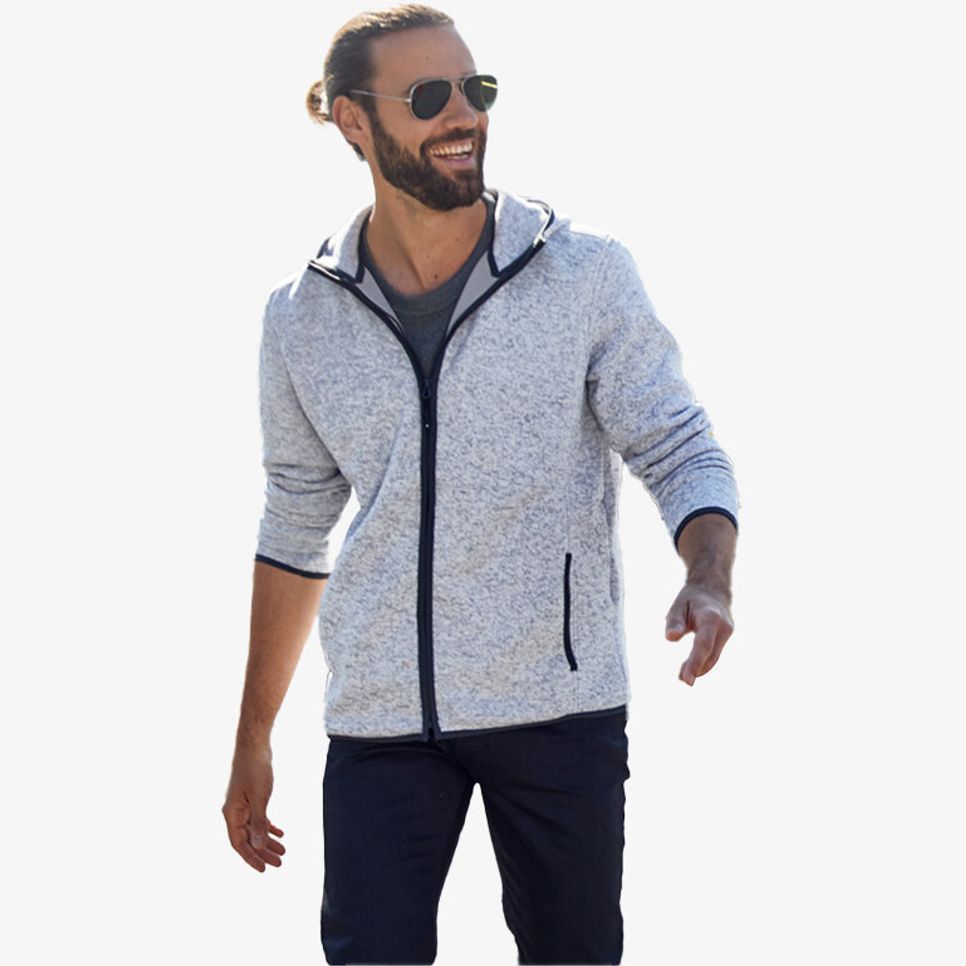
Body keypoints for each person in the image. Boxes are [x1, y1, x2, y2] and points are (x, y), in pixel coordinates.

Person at [222, 4, 740, 963]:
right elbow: (295, 526)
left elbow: (678, 446)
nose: (463, 113)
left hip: (557, 712)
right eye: (429, 96)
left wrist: (709, 575)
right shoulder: (301, 317)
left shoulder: (582, 273)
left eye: (476, 89)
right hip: (380, 723)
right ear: (353, 120)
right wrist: (253, 736)